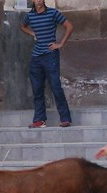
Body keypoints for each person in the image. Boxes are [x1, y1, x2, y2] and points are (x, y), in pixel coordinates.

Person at [21, 0, 73, 128]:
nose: (38, 1)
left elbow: (69, 26)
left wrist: (60, 44)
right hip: (36, 56)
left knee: (55, 86)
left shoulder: (53, 13)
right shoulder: (30, 15)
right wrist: (32, 33)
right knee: (37, 89)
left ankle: (65, 118)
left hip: (50, 55)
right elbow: (22, 26)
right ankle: (40, 119)